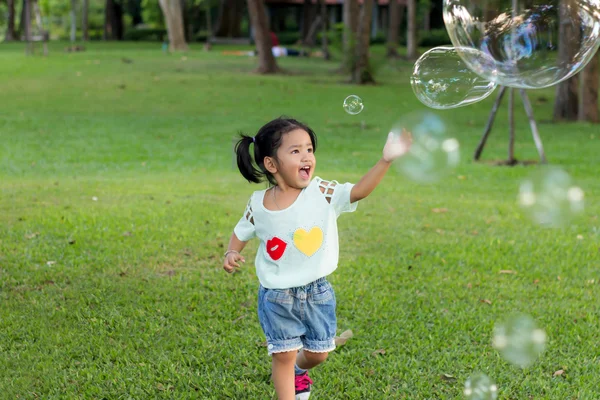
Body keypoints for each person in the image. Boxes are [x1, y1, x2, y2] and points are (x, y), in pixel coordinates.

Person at [223, 117, 411, 400]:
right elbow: (242, 230)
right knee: (282, 356)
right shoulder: (258, 204)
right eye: (295, 151)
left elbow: (359, 190)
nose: (306, 156)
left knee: (318, 354)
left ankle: (301, 369)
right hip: (276, 297)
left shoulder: (322, 192)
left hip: (317, 293)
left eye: (309, 149)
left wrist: (385, 160)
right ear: (271, 164)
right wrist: (232, 251)